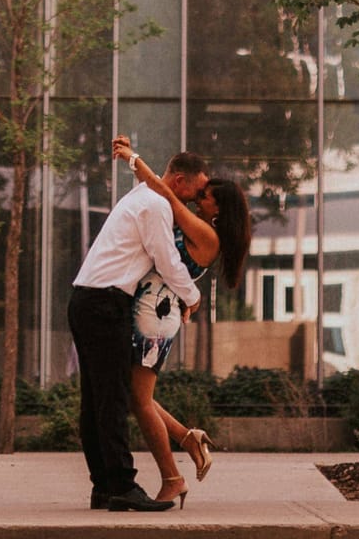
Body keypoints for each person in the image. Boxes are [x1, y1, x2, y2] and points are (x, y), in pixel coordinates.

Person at [68, 145, 210, 513]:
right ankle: (122, 486)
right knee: (113, 399)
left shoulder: (144, 195)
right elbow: (166, 259)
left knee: (96, 401)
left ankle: (103, 486)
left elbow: (141, 173)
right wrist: (192, 296)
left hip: (87, 299)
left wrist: (132, 156)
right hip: (104, 303)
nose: (194, 202)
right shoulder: (156, 205)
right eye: (194, 192)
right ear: (178, 181)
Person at [116, 136, 251, 509]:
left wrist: (131, 158)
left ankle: (172, 479)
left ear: (217, 209)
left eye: (205, 194)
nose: (198, 195)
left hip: (153, 318)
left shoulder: (206, 233)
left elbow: (164, 191)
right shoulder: (201, 227)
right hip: (154, 310)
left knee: (140, 401)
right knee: (134, 395)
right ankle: (189, 439)